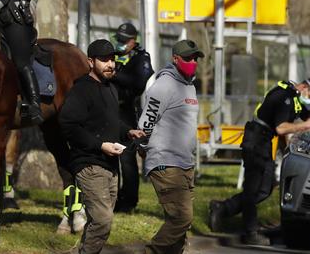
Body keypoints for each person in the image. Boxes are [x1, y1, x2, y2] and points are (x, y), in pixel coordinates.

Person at [208, 77, 310, 245]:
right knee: (252, 187)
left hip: (264, 142)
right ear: (305, 87)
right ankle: (251, 232)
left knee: (266, 188)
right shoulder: (284, 97)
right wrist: (305, 126)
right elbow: (281, 127)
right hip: (255, 140)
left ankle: (223, 208)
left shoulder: (295, 99)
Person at [59, 39, 145, 254]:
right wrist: (100, 145)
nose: (110, 64)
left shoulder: (109, 88)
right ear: (90, 62)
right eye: (104, 60)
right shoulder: (82, 89)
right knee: (103, 221)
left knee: (100, 223)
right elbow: (68, 125)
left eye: (112, 59)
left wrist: (127, 130)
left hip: (110, 164)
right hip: (89, 164)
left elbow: (109, 119)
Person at [138, 39, 202, 254]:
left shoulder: (189, 85)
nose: (192, 62)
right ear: (175, 59)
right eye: (187, 58)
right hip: (166, 162)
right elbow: (146, 121)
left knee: (180, 225)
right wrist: (144, 148)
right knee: (182, 218)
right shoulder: (164, 85)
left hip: (185, 163)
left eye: (195, 58)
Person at [110, 23, 154, 212]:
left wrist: (115, 75)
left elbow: (138, 83)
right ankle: (111, 198)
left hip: (127, 110)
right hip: (109, 108)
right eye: (118, 39)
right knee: (109, 155)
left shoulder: (141, 58)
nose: (119, 43)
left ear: (133, 40)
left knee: (127, 158)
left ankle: (128, 201)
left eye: (123, 40)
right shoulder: (112, 54)